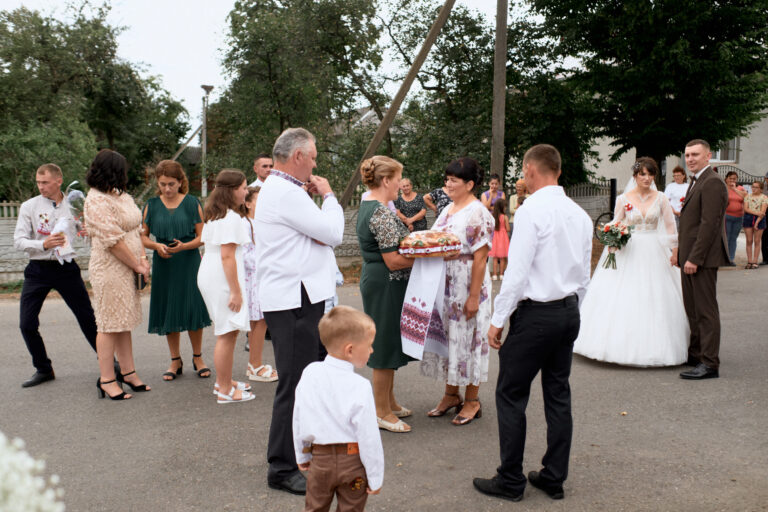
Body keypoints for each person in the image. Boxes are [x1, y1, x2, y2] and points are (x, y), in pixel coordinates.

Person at [473, 144, 592, 503]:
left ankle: (510, 480)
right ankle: (553, 476)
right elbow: (584, 274)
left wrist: (497, 319)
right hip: (568, 311)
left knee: (510, 394)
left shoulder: (531, 211)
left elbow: (516, 273)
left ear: (529, 169)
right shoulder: (579, 214)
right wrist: (574, 310)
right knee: (558, 394)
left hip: (536, 314)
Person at [254, 128, 344, 495]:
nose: (316, 165)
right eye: (314, 157)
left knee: (305, 380)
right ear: (298, 157)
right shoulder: (287, 193)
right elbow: (334, 233)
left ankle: (302, 451)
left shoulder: (284, 191)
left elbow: (315, 237)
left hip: (300, 295)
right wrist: (330, 196)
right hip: (294, 299)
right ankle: (281, 467)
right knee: (293, 384)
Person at [574, 158, 689, 366]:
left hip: (655, 248)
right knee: (625, 294)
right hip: (630, 249)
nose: (646, 178)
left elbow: (671, 227)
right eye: (642, 174)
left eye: (650, 174)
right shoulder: (623, 198)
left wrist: (675, 251)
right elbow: (616, 222)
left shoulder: (662, 198)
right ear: (635, 176)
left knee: (656, 295)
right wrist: (613, 239)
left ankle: (658, 346)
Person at [421, 157, 494, 426]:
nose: (447, 184)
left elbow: (480, 258)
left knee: (470, 338)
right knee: (451, 339)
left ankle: (472, 400)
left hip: (467, 284)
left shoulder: (478, 213)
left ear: (470, 184)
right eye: (447, 179)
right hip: (446, 284)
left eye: (454, 180)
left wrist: (474, 296)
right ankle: (451, 395)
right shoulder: (448, 209)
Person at [14, 163, 99, 387]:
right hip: (38, 269)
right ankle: (43, 368)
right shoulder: (29, 206)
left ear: (58, 181)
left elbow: (84, 233)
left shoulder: (74, 204)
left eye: (45, 182)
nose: (40, 186)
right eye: (38, 182)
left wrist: (86, 230)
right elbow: (19, 241)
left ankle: (109, 362)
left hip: (66, 268)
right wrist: (43, 244)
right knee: (26, 323)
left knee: (87, 318)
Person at [293, 306, 384, 512]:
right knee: (351, 507)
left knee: (314, 507)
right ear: (350, 349)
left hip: (320, 462)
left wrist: (302, 454)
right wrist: (375, 476)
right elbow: (368, 435)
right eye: (369, 345)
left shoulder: (310, 373)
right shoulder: (360, 386)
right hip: (353, 465)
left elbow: (299, 416)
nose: (372, 350)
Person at [84, 149, 151, 401]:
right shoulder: (96, 200)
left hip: (131, 265)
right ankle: (107, 379)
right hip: (110, 269)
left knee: (124, 321)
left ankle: (129, 372)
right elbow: (113, 241)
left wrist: (143, 259)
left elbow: (136, 230)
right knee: (109, 324)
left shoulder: (121, 196)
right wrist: (136, 264)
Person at [356, 156, 415, 433]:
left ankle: (388, 401)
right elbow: (393, 260)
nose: (400, 185)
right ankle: (380, 411)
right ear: (386, 180)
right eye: (398, 179)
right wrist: (429, 259)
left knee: (390, 340)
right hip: (386, 280)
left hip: (383, 280)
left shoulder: (371, 204)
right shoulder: (379, 211)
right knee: (383, 345)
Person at [140, 160, 211, 381]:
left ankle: (198, 357)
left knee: (192, 307)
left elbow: (203, 236)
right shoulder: (151, 205)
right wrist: (155, 246)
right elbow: (141, 235)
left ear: (181, 182)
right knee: (168, 307)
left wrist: (185, 246)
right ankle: (175, 360)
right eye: (162, 184)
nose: (167, 189)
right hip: (164, 262)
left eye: (171, 184)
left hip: (189, 260)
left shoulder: (192, 203)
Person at [197, 169, 255, 403]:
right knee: (227, 332)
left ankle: (226, 380)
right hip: (222, 278)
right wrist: (235, 291)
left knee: (227, 331)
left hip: (212, 274)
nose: (246, 191)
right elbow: (227, 257)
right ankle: (224, 390)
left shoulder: (218, 214)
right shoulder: (230, 218)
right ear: (232, 191)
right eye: (243, 188)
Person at [675, 139, 729, 380]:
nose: (690, 159)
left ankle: (709, 363)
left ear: (708, 157)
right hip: (689, 256)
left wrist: (694, 258)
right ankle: (696, 354)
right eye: (687, 155)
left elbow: (710, 225)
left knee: (706, 310)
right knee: (693, 309)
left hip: (702, 258)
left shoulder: (713, 182)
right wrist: (680, 252)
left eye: (695, 154)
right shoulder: (697, 181)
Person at [242, 186, 277, 382]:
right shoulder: (246, 224)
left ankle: (254, 363)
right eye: (258, 199)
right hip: (253, 279)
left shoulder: (259, 223)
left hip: (261, 277)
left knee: (260, 322)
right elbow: (246, 255)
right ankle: (254, 365)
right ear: (248, 203)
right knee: (258, 322)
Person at [742, 180, 768, 269]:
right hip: (748, 218)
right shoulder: (747, 196)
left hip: (760, 220)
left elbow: (763, 212)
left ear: (761, 189)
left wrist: (757, 222)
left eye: (756, 187)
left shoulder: (764, 197)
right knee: (749, 241)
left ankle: (755, 261)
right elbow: (746, 209)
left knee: (757, 241)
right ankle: (749, 261)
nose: (753, 189)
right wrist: (756, 213)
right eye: (753, 187)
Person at [723, 171, 746, 265]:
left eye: (734, 179)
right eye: (730, 178)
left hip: (738, 217)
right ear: (726, 179)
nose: (732, 180)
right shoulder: (724, 188)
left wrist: (735, 189)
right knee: (726, 238)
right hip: (727, 216)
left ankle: (731, 258)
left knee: (733, 238)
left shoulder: (740, 188)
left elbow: (746, 197)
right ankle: (725, 259)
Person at [489, 198, 510, 281]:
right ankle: (501, 274)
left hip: (495, 237)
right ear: (502, 207)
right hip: (503, 237)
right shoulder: (504, 217)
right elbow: (508, 228)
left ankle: (494, 275)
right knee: (502, 257)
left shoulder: (492, 217)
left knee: (495, 257)